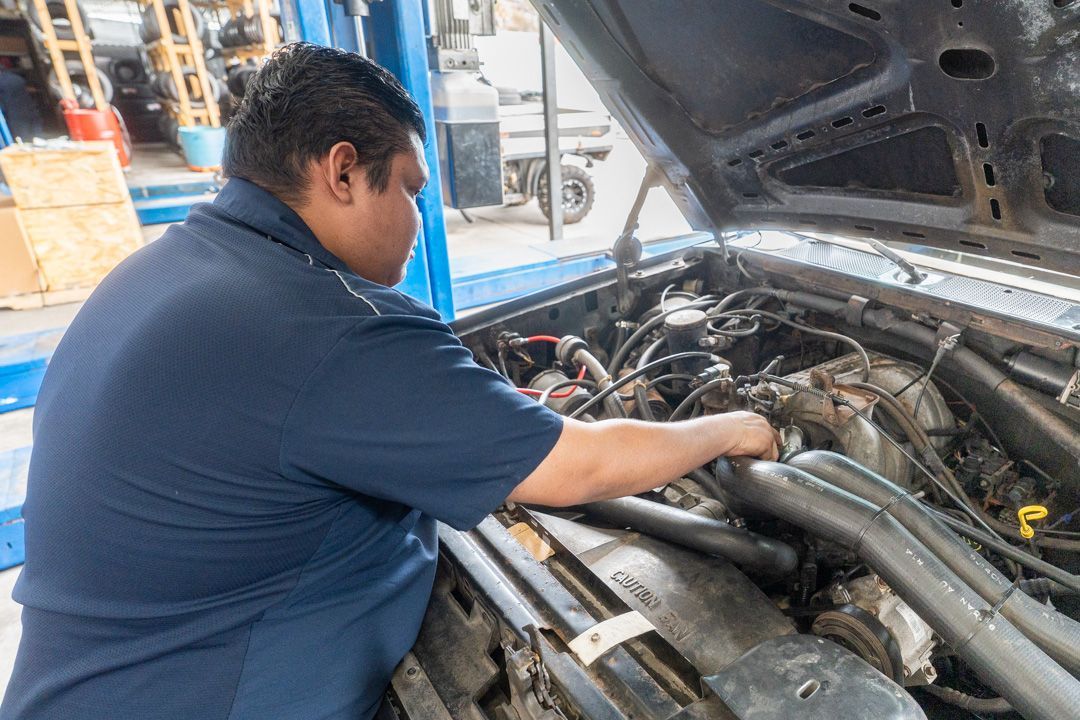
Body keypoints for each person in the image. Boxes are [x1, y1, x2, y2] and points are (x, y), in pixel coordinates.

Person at [2, 43, 778, 719]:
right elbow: (581, 467)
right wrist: (730, 427)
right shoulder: (325, 324)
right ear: (342, 170)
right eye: (409, 187)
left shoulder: (162, 267)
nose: (416, 218)